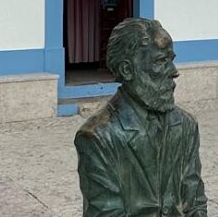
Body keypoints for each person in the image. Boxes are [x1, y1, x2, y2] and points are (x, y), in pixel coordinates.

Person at [75, 18, 207, 217]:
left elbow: (195, 203)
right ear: (128, 70)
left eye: (171, 60)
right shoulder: (98, 137)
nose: (174, 72)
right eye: (161, 62)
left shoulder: (186, 125)